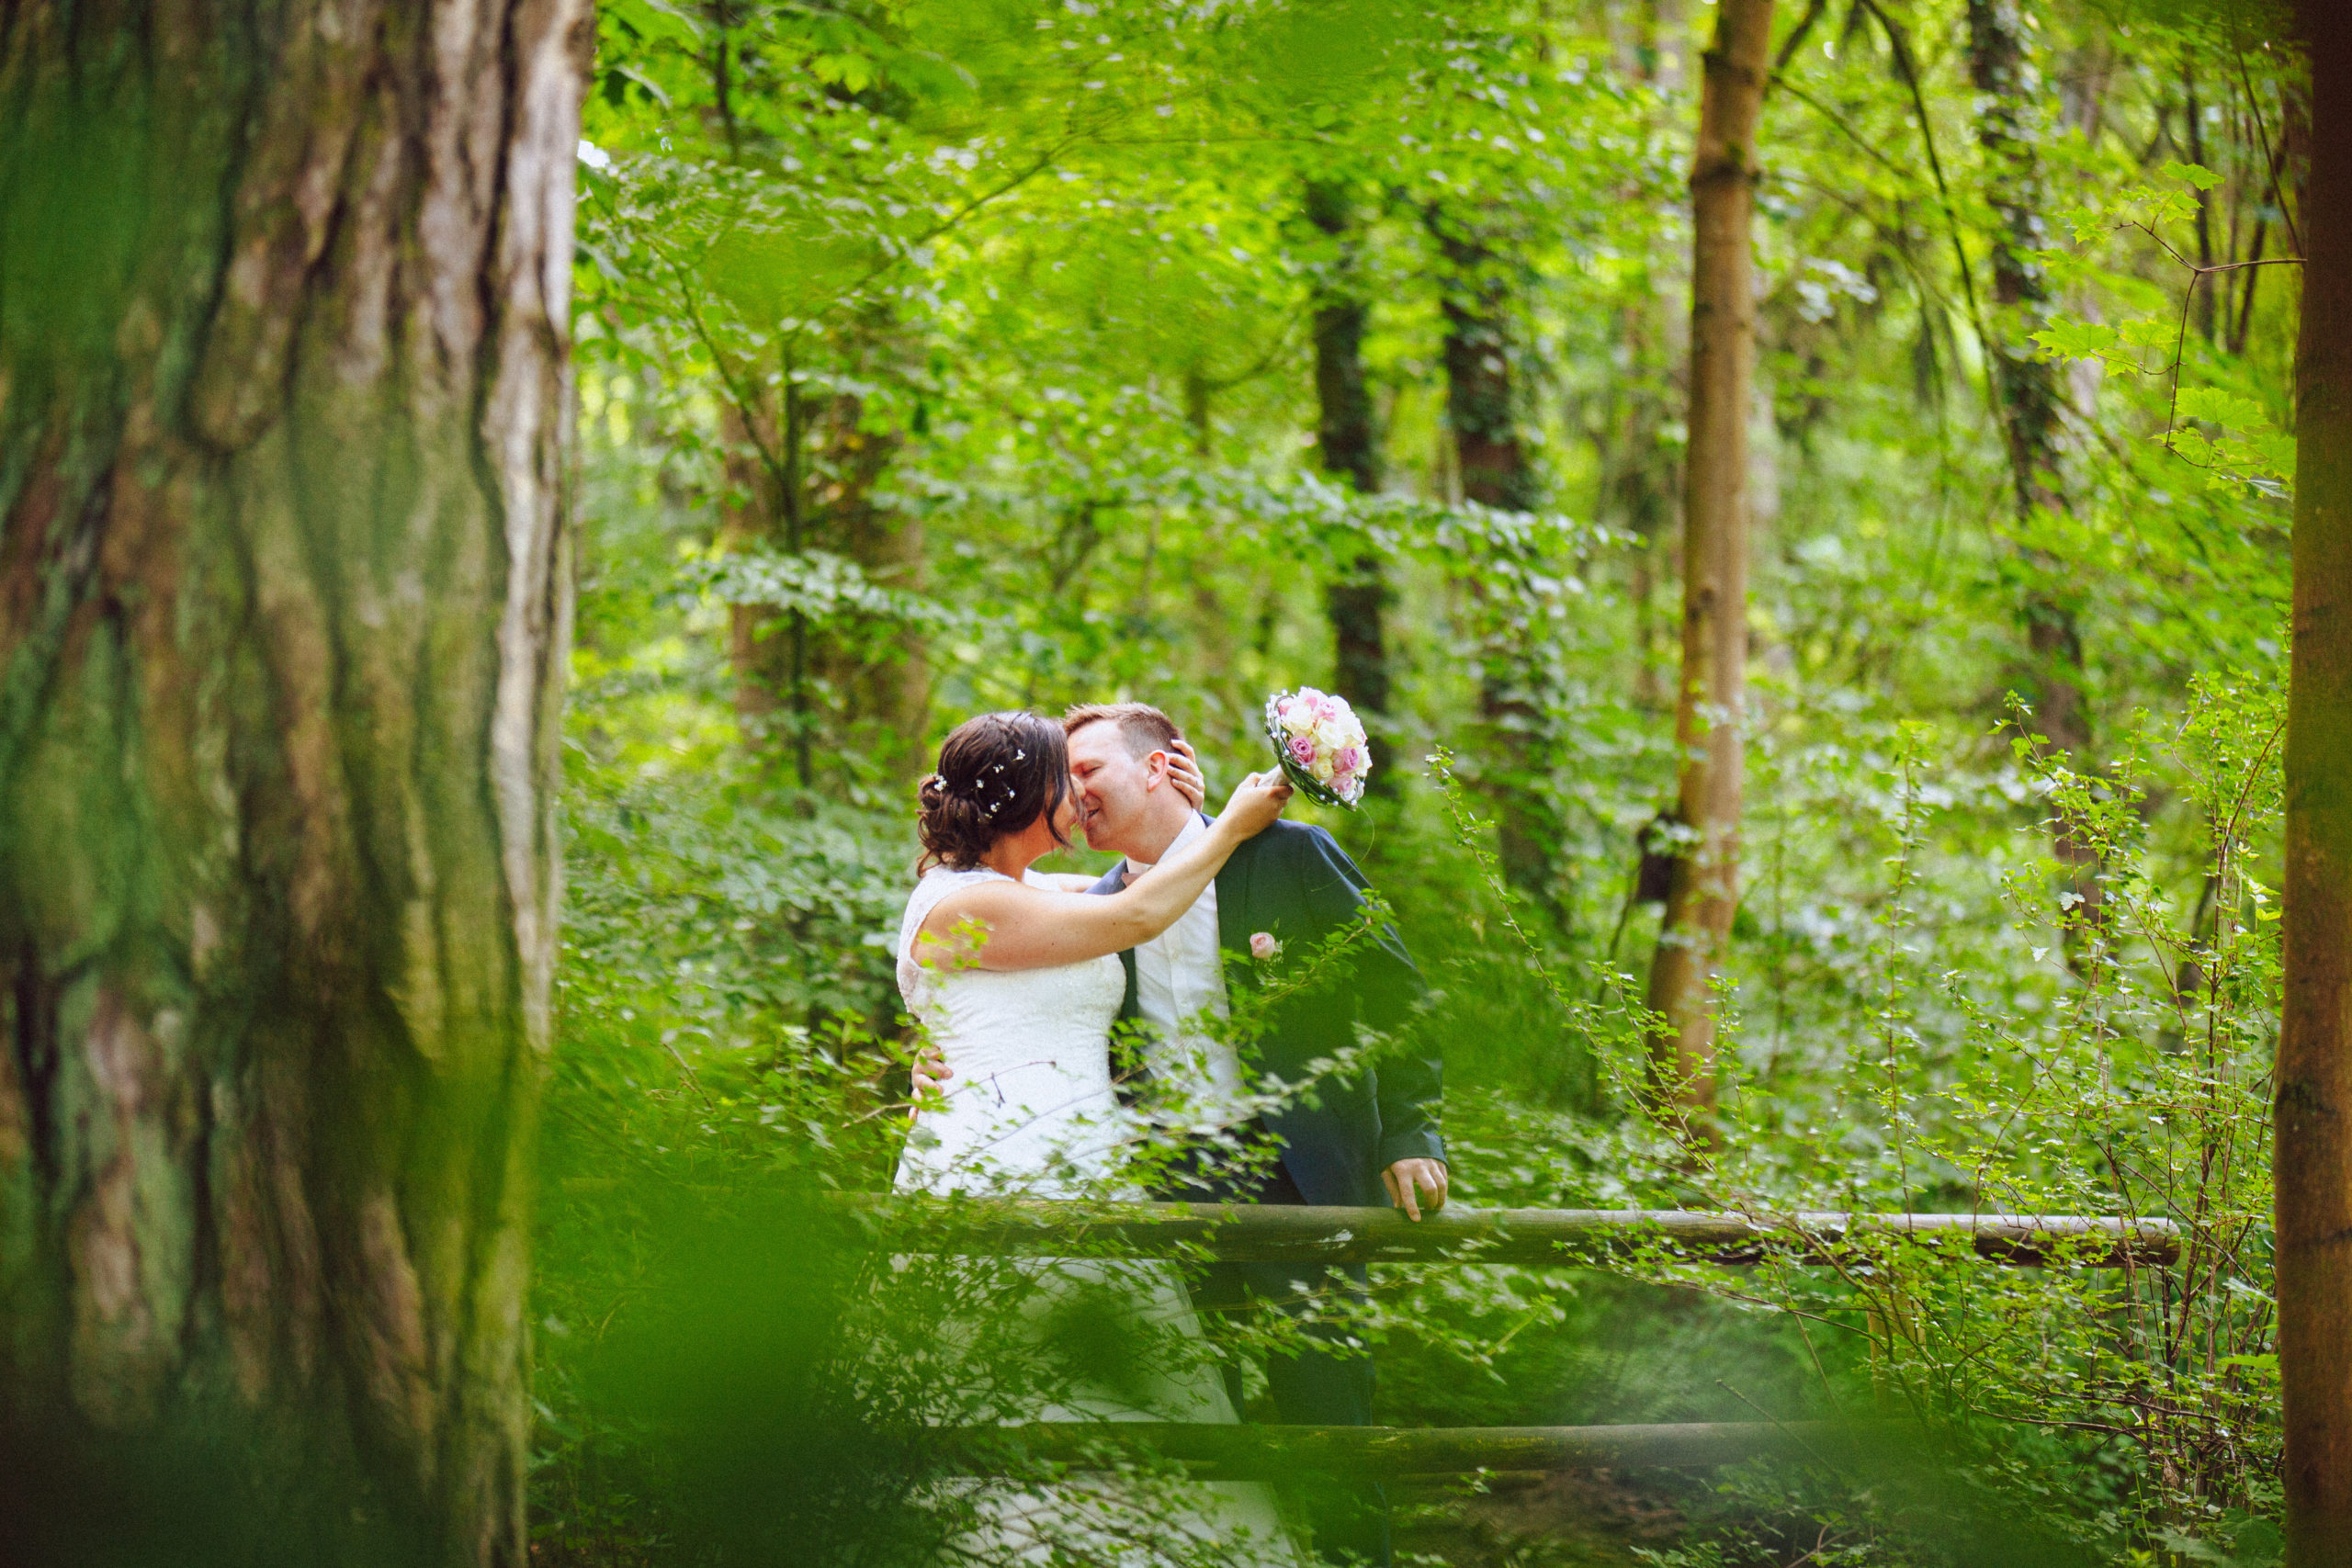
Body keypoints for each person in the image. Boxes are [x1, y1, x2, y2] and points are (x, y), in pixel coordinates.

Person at [891, 709, 1306, 1564]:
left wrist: (1178, 817)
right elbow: (1134, 917)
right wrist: (1231, 822)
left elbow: (1135, 883)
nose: (1078, 794)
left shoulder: (1027, 894)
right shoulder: (955, 907)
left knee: (1133, 1397)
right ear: (1027, 794)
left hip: (1089, 1166)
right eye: (1063, 779)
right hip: (997, 1168)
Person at [1059, 701, 1446, 1568]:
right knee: (1200, 1426)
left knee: (1333, 1418)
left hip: (1300, 1177)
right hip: (1163, 1192)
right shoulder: (1095, 912)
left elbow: (1399, 993)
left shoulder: (1293, 857)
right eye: (1064, 778)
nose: (1072, 792)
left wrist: (1410, 1131)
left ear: (1161, 766)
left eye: (1088, 771)